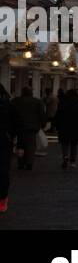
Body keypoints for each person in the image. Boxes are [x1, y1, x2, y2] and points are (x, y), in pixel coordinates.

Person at [10, 87, 46, 172]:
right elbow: (42, 114)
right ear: (31, 93)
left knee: (20, 145)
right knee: (30, 146)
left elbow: (11, 113)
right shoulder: (37, 102)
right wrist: (43, 124)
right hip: (32, 128)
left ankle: (21, 162)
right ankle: (29, 163)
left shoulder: (15, 101)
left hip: (19, 127)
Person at [53, 89, 78, 170]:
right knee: (74, 144)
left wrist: (57, 125)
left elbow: (58, 115)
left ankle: (65, 156)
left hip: (64, 127)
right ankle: (72, 161)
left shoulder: (63, 102)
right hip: (76, 127)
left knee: (64, 143)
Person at [0, 84, 13, 213]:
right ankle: (3, 198)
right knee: (3, 171)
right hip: (4, 141)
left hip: (3, 140)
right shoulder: (9, 104)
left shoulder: (7, 106)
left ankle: (2, 198)